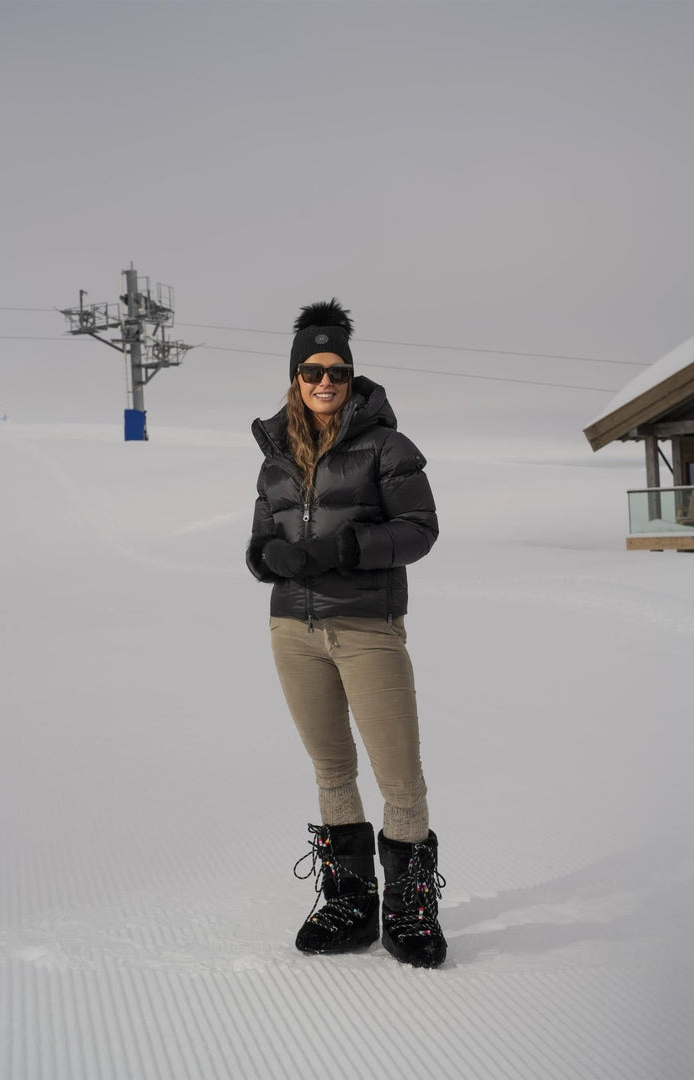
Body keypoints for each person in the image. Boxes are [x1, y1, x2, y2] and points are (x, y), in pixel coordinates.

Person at [246, 299, 446, 968]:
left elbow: (419, 531)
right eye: (310, 369)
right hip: (292, 631)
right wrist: (268, 557)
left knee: (399, 775)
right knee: (331, 768)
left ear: (351, 374)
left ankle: (410, 906)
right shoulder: (275, 452)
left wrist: (343, 550)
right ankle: (350, 901)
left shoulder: (387, 445)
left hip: (366, 627)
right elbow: (261, 537)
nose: (323, 380)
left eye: (335, 369)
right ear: (294, 376)